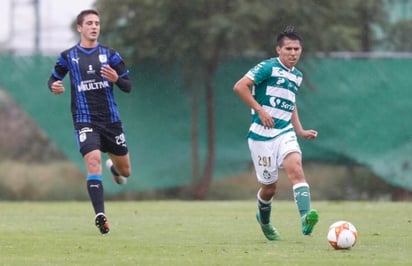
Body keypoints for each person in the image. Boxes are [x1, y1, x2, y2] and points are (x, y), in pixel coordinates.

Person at [47, 9, 132, 235]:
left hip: (111, 122)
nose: (94, 27)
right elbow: (53, 79)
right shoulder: (67, 56)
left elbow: (128, 85)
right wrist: (54, 86)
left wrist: (116, 78)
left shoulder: (111, 55)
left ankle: (114, 167)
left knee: (125, 172)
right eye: (90, 23)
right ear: (80, 28)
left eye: (97, 23)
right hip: (84, 120)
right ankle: (100, 215)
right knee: (93, 160)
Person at [233, 26, 318, 241]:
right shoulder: (267, 67)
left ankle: (306, 218)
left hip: (284, 132)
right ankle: (264, 221)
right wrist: (260, 110)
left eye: (296, 49)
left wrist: (299, 129)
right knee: (269, 187)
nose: (293, 53)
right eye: (288, 48)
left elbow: (291, 103)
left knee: (296, 169)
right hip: (260, 136)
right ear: (278, 49)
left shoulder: (297, 75)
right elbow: (240, 86)